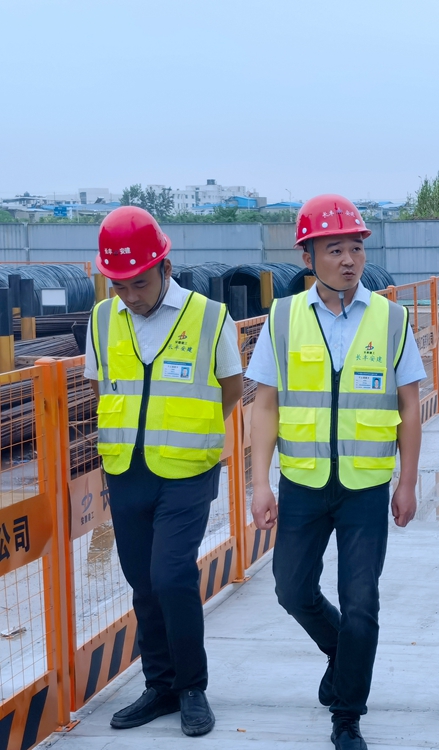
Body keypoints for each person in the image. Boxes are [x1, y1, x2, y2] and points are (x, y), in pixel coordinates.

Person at [246, 194, 425, 750]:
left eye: (355, 248)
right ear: (308, 257)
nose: (349, 260)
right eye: (334, 250)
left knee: (361, 603)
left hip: (366, 488)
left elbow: (410, 404)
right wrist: (259, 482)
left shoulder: (391, 319)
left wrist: (408, 482)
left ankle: (347, 714)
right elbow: (264, 404)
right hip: (302, 483)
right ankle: (342, 657)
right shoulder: (283, 318)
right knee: (291, 589)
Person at [85, 206, 244, 737]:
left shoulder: (210, 317)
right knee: (142, 582)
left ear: (165, 268)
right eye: (119, 285)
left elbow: (230, 389)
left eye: (140, 283)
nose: (130, 295)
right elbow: (101, 386)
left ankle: (192, 686)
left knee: (171, 575)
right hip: (125, 470)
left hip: (186, 471)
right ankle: (160, 686)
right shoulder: (102, 319)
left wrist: (191, 430)